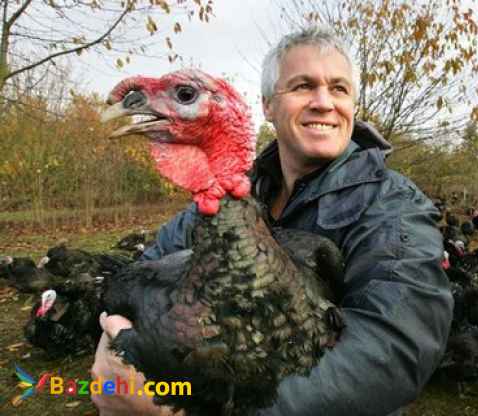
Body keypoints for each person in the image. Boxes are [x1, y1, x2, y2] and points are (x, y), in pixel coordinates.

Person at [91, 26, 453, 416]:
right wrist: (116, 346)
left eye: (339, 89)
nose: (323, 103)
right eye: (303, 86)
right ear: (267, 105)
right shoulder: (225, 199)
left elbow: (392, 353)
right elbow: (142, 282)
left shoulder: (392, 206)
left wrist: (177, 408)